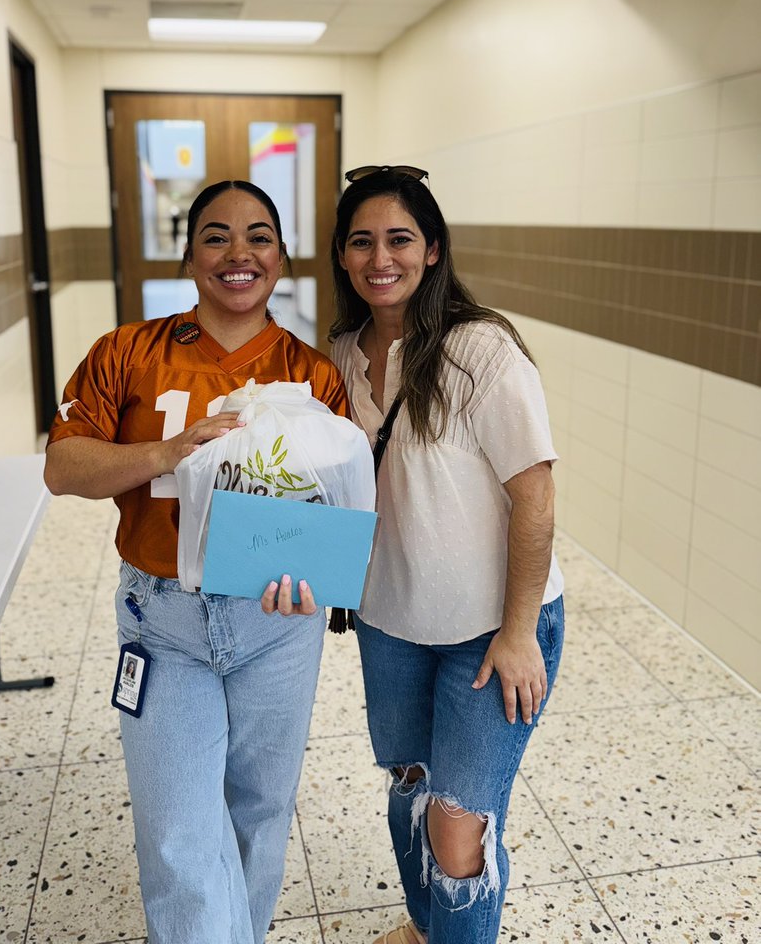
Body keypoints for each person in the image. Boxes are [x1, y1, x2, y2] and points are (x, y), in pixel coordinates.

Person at [44, 179, 348, 944]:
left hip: (275, 626)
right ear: (188, 256)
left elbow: (338, 510)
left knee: (260, 810)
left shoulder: (314, 376)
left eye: (258, 237)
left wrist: (315, 577)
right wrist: (166, 452)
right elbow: (63, 466)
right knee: (179, 833)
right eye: (216, 236)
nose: (238, 253)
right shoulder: (128, 352)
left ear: (281, 257)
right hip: (163, 622)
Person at [329, 165, 564, 944]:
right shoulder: (337, 355)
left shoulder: (480, 351)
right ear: (341, 255)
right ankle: (428, 927)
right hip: (390, 620)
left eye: (399, 239)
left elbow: (536, 496)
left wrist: (520, 631)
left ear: (433, 249)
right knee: (411, 788)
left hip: (492, 630)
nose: (380, 258)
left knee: (458, 827)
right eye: (361, 242)